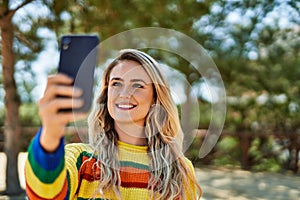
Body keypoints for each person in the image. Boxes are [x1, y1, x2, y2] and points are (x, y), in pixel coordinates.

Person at [25, 49, 202, 199]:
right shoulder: (82, 159)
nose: (124, 93)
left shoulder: (179, 169)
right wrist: (50, 134)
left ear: (155, 97)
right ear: (106, 93)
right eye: (116, 83)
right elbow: (44, 194)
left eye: (138, 85)